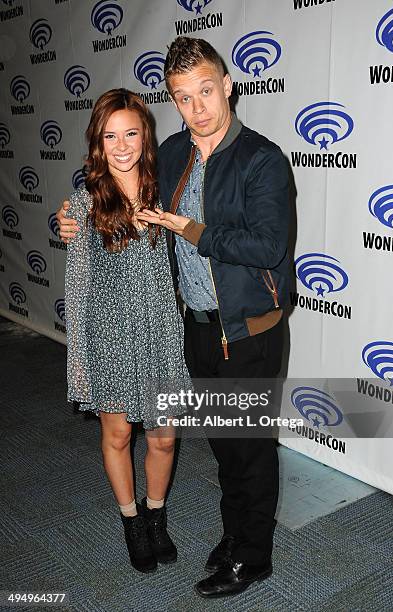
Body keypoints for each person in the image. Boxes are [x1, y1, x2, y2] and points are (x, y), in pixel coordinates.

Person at [58, 37, 289, 598]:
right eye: (183, 98)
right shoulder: (178, 154)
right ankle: (237, 535)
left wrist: (190, 229)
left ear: (228, 85)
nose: (198, 108)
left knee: (249, 448)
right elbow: (94, 194)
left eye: (206, 91)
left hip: (248, 333)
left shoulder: (262, 159)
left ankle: (252, 556)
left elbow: (268, 246)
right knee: (223, 446)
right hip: (196, 330)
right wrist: (64, 219)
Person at [64, 88, 189, 575]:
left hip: (159, 331)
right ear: (98, 141)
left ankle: (157, 514)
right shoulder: (85, 201)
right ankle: (131, 519)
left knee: (162, 436)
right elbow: (77, 288)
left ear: (145, 135)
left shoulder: (167, 189)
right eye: (109, 136)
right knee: (118, 435)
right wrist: (81, 359)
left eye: (130, 133)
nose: (121, 146)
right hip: (109, 337)